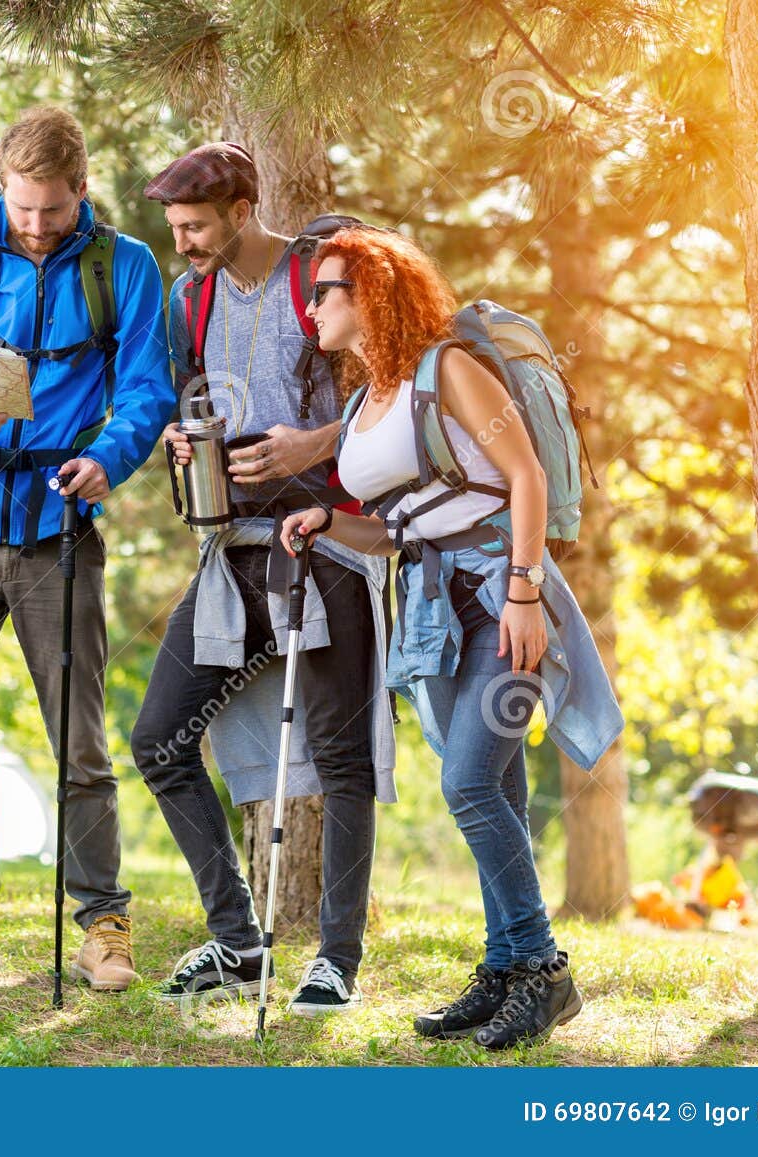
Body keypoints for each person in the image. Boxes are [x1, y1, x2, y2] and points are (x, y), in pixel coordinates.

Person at [280, 223, 624, 1049]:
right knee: (494, 789)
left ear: (369, 293)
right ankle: (504, 967)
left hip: (504, 595)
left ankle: (544, 969)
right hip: (437, 609)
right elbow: (399, 532)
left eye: (323, 291)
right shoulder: (367, 401)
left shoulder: (450, 369)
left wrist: (525, 593)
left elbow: (527, 478)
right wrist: (330, 519)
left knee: (470, 781)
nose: (311, 308)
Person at [0, 107, 174, 998]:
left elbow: (148, 391)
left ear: (80, 190)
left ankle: (102, 926)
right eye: (22, 208)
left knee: (81, 744)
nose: (36, 225)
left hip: (60, 532)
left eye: (51, 209)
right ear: (2, 192)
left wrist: (109, 459)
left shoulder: (123, 267)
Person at [131, 142, 397, 1016]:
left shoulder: (319, 274)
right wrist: (182, 436)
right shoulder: (190, 296)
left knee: (339, 755)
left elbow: (394, 385)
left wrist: (310, 446)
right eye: (175, 229)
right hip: (231, 548)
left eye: (198, 227)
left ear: (243, 210)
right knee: (162, 740)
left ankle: (337, 959)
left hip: (322, 540)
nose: (185, 244)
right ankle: (239, 943)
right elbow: (192, 397)